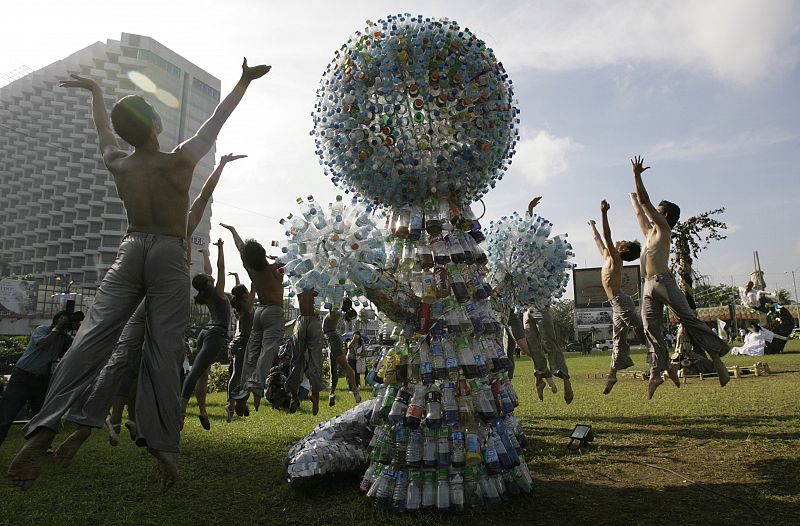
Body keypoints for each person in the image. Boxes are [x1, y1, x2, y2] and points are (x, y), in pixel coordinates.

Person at [8, 58, 270, 492]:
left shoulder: (119, 163)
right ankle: (162, 444)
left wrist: (96, 91)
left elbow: (105, 133)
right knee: (163, 352)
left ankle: (43, 430)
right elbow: (217, 119)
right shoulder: (180, 160)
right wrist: (243, 80)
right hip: (168, 251)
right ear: (154, 124)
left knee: (91, 339)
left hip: (129, 250)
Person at [54, 153, 246, 454]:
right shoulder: (181, 224)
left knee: (123, 359)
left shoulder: (146, 219)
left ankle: (93, 424)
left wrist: (220, 166)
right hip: (169, 294)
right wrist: (220, 165)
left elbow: (201, 195)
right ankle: (149, 428)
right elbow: (205, 195)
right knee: (159, 364)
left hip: (148, 293)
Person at [628, 155, 730, 399]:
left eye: (658, 211)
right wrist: (631, 197)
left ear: (665, 216)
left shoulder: (663, 229)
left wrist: (636, 177)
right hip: (648, 287)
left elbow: (645, 203)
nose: (654, 213)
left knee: (688, 319)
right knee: (650, 330)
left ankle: (717, 358)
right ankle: (657, 372)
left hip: (664, 281)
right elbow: (639, 211)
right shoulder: (650, 233)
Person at [221, 224, 284, 412]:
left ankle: (241, 392)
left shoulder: (252, 271)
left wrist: (233, 231)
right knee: (267, 350)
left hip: (259, 312)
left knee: (251, 353)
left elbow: (241, 248)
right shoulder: (275, 268)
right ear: (263, 253)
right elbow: (299, 259)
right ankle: (257, 387)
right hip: (274, 312)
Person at [0, 311, 81, 447]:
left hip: (42, 380)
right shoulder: (42, 330)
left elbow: (77, 351)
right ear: (57, 320)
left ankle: (41, 446)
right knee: (7, 414)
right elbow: (43, 345)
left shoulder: (64, 338)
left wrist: (80, 331)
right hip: (23, 376)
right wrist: (58, 328)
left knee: (42, 415)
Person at [589, 200, 645, 394]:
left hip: (622, 301)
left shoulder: (614, 258)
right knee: (618, 340)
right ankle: (612, 374)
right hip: (616, 303)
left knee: (641, 330)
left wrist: (603, 213)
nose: (618, 242)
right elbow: (599, 239)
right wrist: (592, 226)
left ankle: (660, 362)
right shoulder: (607, 257)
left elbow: (607, 235)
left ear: (623, 250)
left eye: (621, 243)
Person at [180, 239, 230, 430]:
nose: (212, 277)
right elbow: (220, 267)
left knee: (203, 375)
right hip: (215, 335)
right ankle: (181, 412)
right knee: (195, 373)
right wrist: (221, 249)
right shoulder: (217, 293)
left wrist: (205, 254)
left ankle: (203, 411)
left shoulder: (208, 293)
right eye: (208, 277)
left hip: (205, 333)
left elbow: (209, 271)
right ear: (208, 282)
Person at [287, 290, 325, 415]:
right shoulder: (319, 278)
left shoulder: (299, 280)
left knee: (297, 360)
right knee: (315, 360)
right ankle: (315, 396)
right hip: (314, 320)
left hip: (302, 321)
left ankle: (294, 395)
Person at [225, 273, 255, 421]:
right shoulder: (247, 306)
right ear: (245, 295)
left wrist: (237, 278)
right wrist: (255, 277)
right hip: (244, 342)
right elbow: (253, 291)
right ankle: (231, 405)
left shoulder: (239, 306)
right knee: (240, 375)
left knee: (236, 374)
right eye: (247, 293)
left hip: (236, 342)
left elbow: (238, 293)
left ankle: (240, 402)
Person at [325, 301, 361, 407]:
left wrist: (334, 297)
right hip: (330, 340)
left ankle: (355, 391)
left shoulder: (335, 312)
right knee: (333, 370)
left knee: (345, 366)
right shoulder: (338, 312)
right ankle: (332, 394)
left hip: (333, 340)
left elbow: (331, 309)